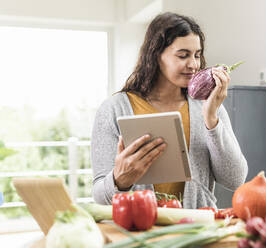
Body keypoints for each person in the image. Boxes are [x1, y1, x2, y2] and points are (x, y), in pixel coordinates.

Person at [91, 12, 248, 209]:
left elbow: (235, 179)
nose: (193, 64)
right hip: (139, 231)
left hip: (196, 229)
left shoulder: (208, 106)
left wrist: (211, 119)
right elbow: (99, 196)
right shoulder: (114, 110)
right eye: (183, 55)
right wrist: (120, 179)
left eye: (197, 55)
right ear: (156, 55)